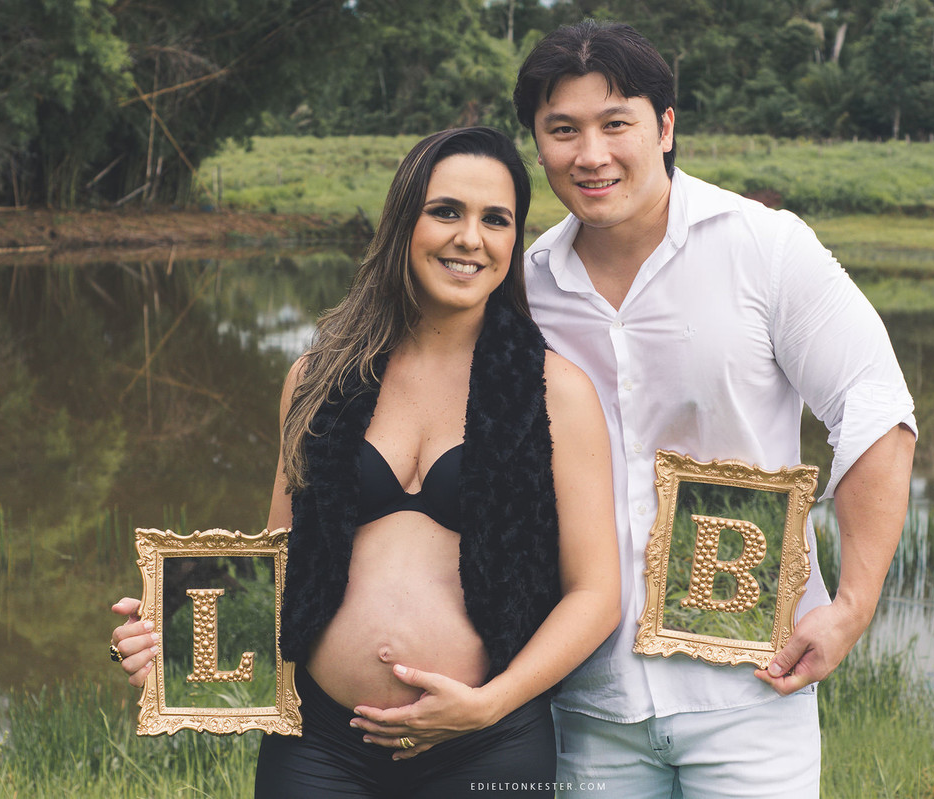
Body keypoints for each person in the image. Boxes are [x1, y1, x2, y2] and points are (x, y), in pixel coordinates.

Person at [110, 126, 621, 798]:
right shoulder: (319, 378)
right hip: (321, 743)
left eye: (496, 220)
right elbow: (281, 564)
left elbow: (596, 595)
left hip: (490, 742)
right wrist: (177, 643)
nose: (471, 238)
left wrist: (490, 702)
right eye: (446, 211)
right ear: (403, 221)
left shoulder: (556, 391)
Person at [510, 20, 918, 798]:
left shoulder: (764, 247)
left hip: (752, 694)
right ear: (537, 143)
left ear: (665, 127)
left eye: (615, 124)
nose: (590, 154)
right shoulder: (525, 288)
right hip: (585, 705)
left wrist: (855, 606)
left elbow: (873, 404)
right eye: (563, 130)